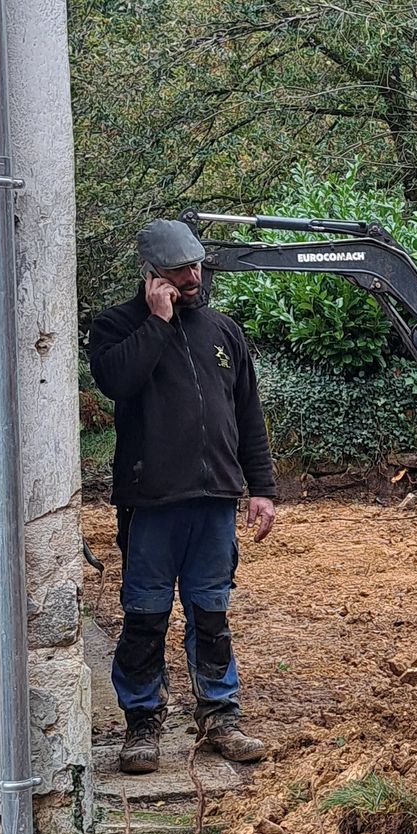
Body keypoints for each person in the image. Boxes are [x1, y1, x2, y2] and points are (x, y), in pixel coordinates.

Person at [88, 219, 277, 775]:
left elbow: (248, 414)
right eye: (179, 270)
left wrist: (261, 489)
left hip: (215, 497)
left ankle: (220, 716)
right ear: (152, 275)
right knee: (145, 614)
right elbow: (117, 382)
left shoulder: (223, 330)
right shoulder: (116, 327)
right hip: (151, 502)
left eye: (196, 265)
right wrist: (158, 322)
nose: (193, 276)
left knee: (211, 611)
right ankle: (142, 723)